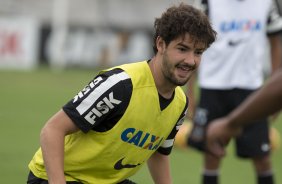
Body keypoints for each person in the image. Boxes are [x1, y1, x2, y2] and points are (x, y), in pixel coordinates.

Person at [27, 3, 216, 184]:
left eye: (198, 52)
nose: (190, 60)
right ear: (161, 44)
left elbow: (159, 154)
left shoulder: (179, 104)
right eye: (182, 49)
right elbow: (52, 131)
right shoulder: (121, 86)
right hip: (63, 177)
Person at [186, 0, 282, 184]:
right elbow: (193, 43)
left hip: (251, 89)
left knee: (262, 157)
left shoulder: (267, 3)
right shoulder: (207, 3)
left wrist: (275, 89)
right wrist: (190, 92)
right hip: (212, 87)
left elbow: (276, 42)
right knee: (211, 154)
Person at [206, 68, 282, 158]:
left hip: (250, 84)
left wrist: (230, 123)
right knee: (210, 154)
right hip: (215, 84)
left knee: (261, 157)